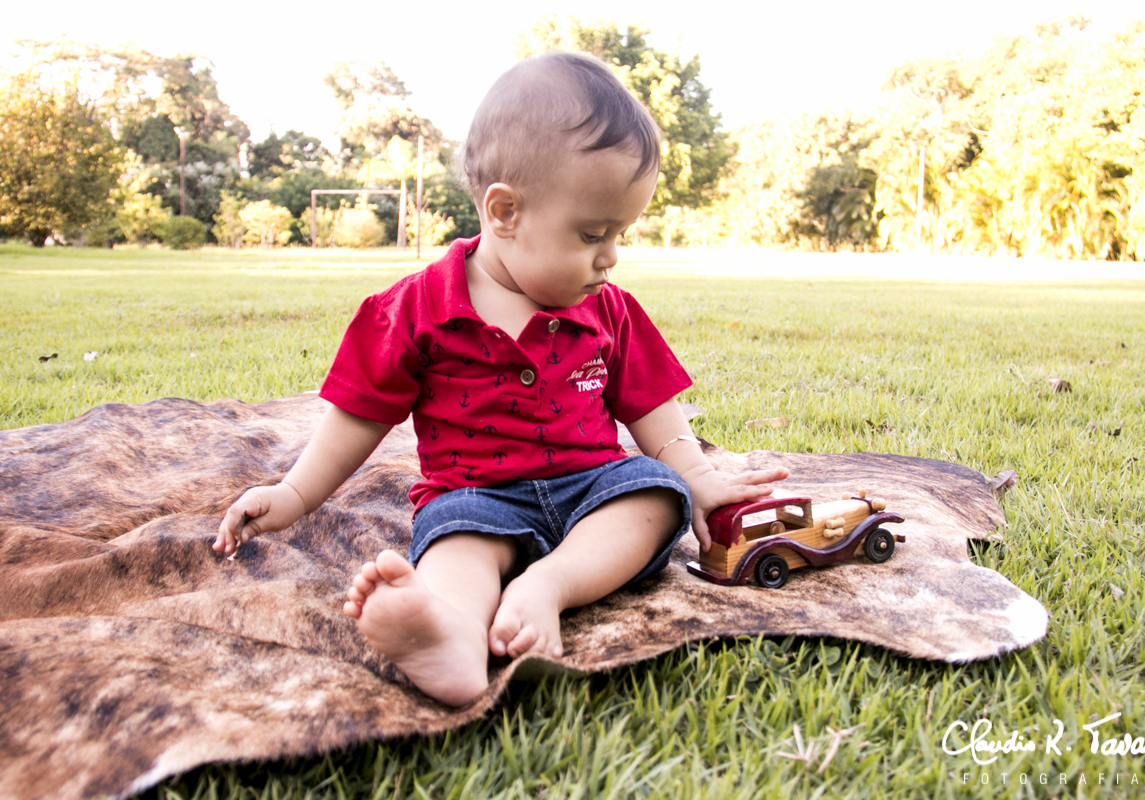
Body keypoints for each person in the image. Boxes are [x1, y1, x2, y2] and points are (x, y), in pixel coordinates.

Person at [214, 51, 788, 707]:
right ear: (505, 212)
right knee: (455, 547)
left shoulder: (607, 310)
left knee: (657, 496)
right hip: (476, 496)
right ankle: (451, 637)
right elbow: (358, 417)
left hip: (591, 488)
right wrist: (293, 492)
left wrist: (698, 475)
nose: (611, 257)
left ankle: (550, 585)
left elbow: (652, 407)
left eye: (620, 234)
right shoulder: (415, 311)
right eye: (593, 234)